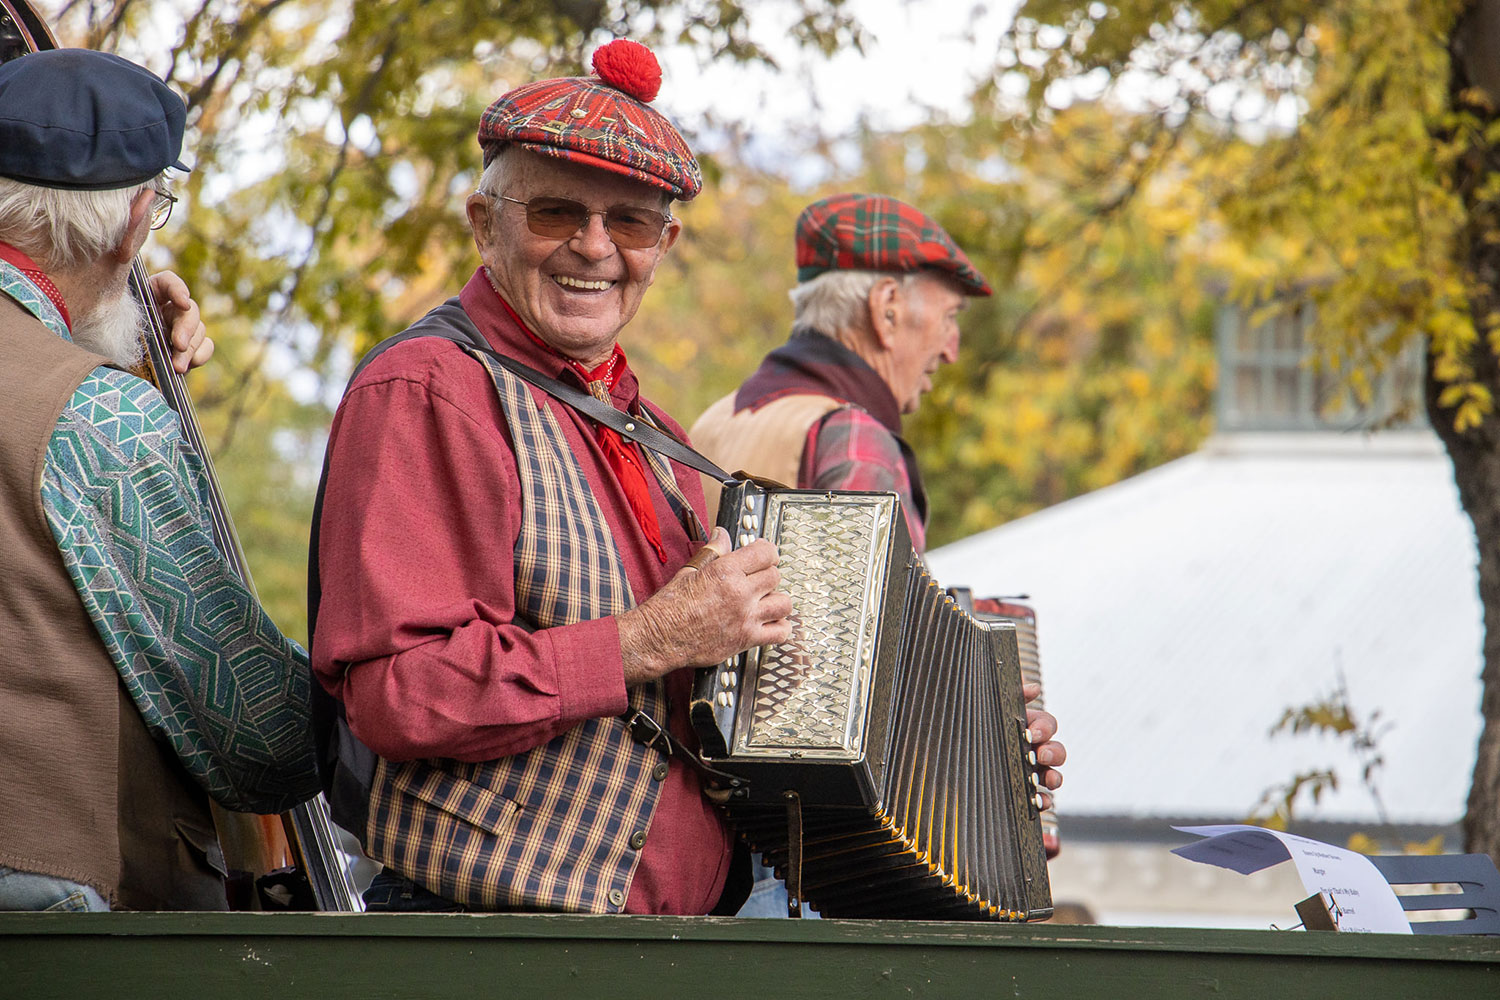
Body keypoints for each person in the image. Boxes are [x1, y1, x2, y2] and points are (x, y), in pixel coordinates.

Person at [310, 39, 796, 915]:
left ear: (664, 243)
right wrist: (644, 640)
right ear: (482, 221)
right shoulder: (427, 388)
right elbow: (398, 695)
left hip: (678, 944)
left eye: (632, 223)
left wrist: (961, 747)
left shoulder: (661, 440)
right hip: (487, 942)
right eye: (554, 213)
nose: (594, 247)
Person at [0, 49, 320, 912]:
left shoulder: (98, 399)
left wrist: (124, 356)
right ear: (133, 222)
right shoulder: (100, 415)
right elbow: (258, 737)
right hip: (45, 895)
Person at [689, 193, 1066, 916]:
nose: (953, 348)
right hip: (798, 872)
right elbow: (854, 708)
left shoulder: (717, 417)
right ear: (888, 307)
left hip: (706, 850)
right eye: (950, 317)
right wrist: (998, 757)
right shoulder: (856, 439)